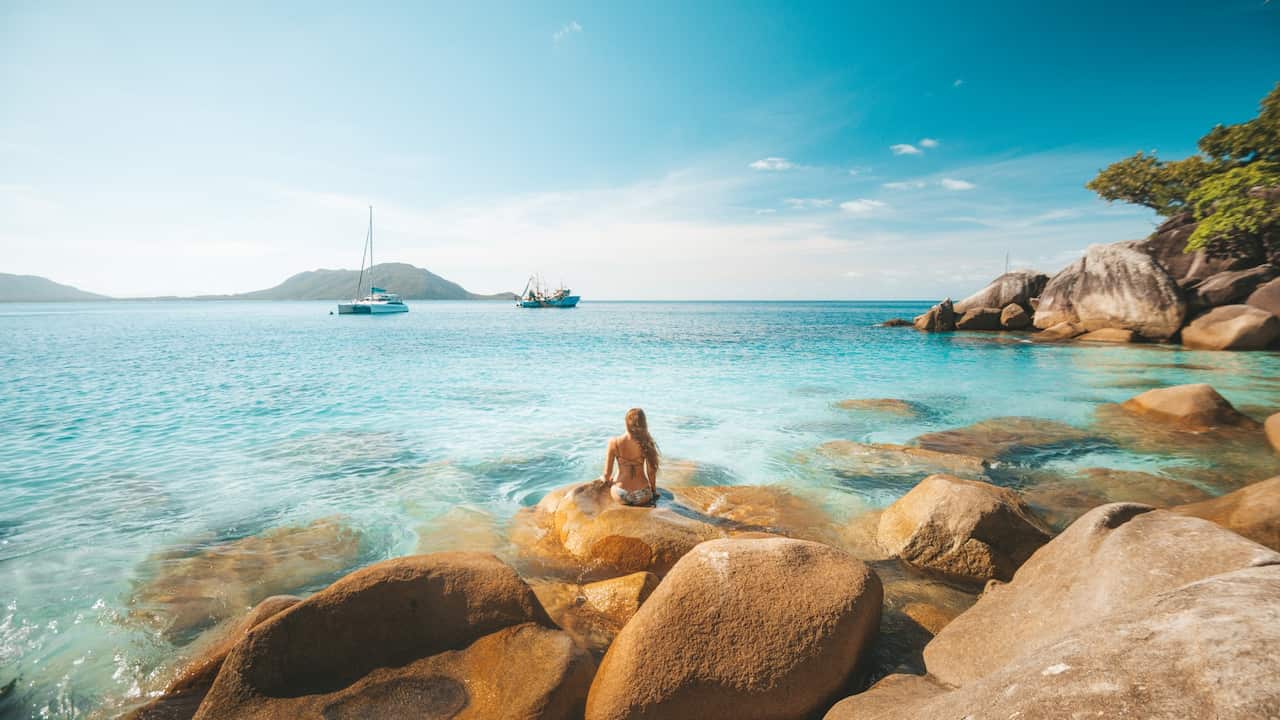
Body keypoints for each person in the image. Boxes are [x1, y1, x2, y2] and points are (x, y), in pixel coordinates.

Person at [600, 408, 660, 506]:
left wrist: (603, 479)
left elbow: (607, 474)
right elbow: (651, 472)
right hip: (642, 493)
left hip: (620, 492)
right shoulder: (647, 442)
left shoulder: (614, 442)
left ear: (626, 423)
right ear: (644, 424)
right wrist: (653, 491)